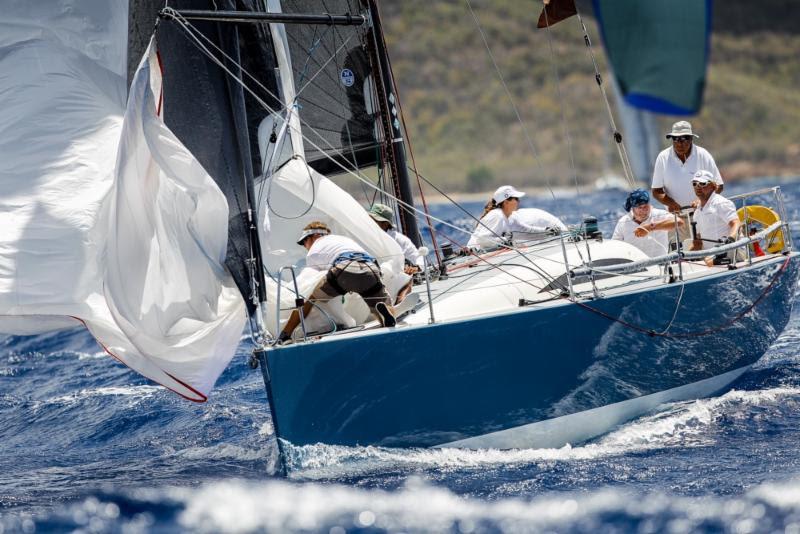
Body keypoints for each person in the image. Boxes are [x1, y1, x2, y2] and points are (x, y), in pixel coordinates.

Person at [277, 221, 396, 344]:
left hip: (345, 269)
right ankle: (386, 315)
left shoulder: (314, 252)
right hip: (371, 268)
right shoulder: (342, 239)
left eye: (304, 242)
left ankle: (285, 334)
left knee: (309, 300)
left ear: (313, 236)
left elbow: (313, 278)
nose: (305, 246)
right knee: (381, 302)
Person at [651, 121, 723, 214]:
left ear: (691, 139)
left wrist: (702, 200)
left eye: (684, 138)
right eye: (675, 138)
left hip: (704, 213)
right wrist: (670, 203)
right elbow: (656, 191)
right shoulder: (662, 157)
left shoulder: (703, 154)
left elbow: (719, 185)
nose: (680, 143)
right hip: (676, 218)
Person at [467, 185, 558, 250]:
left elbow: (528, 231)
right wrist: (505, 240)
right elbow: (482, 240)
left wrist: (548, 231)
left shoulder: (510, 218)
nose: (519, 201)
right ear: (506, 202)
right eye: (516, 199)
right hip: (474, 257)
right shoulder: (497, 215)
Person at [612, 188, 684, 257]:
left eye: (646, 206)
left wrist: (650, 227)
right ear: (632, 208)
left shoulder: (659, 214)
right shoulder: (623, 222)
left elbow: (679, 222)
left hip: (661, 264)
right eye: (640, 207)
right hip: (635, 265)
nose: (644, 210)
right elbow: (615, 245)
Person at [689, 170, 741, 265]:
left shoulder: (721, 203)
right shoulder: (697, 212)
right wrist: (683, 257)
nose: (698, 187)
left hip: (731, 255)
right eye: (694, 184)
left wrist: (730, 240)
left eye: (703, 183)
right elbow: (698, 243)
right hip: (711, 258)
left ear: (713, 186)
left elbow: (736, 223)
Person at [368, 203, 425, 273]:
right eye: (369, 219)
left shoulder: (399, 239)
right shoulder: (364, 235)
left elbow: (417, 257)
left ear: (385, 223)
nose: (370, 222)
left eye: (374, 221)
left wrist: (416, 267)